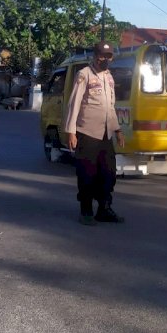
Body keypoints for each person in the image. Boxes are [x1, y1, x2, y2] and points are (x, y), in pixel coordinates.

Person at [64, 41, 126, 225]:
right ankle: (86, 211)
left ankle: (104, 209)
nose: (105, 59)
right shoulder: (84, 75)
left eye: (109, 56)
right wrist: (71, 132)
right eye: (102, 56)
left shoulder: (108, 77)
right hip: (87, 133)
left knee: (109, 174)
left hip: (106, 135)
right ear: (94, 56)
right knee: (87, 174)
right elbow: (73, 104)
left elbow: (110, 107)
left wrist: (118, 130)